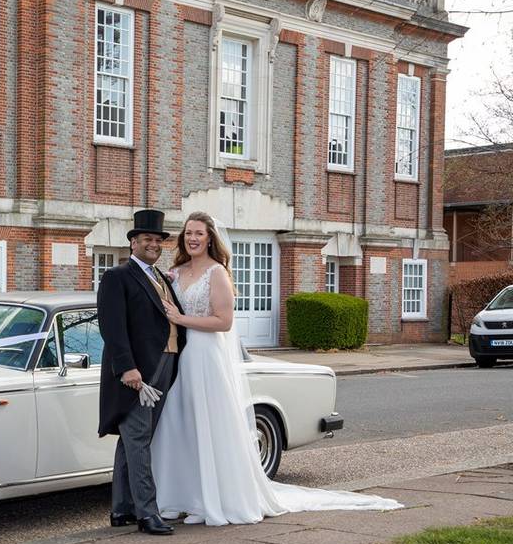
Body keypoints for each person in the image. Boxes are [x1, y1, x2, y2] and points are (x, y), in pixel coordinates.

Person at [150, 212, 401, 526]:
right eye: (189, 233)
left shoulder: (217, 273)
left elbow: (223, 322)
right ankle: (178, 497)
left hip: (207, 358)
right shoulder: (176, 271)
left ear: (210, 238)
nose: (193, 239)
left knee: (208, 426)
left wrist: (180, 319)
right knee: (181, 426)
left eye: (199, 233)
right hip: (181, 358)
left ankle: (207, 502)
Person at [97, 209, 187, 535]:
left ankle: (121, 509)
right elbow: (112, 327)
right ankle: (146, 513)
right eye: (147, 238)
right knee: (138, 440)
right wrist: (127, 368)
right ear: (133, 242)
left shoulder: (160, 277)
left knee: (135, 439)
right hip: (138, 371)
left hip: (166, 362)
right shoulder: (117, 277)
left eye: (157, 239)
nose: (153, 244)